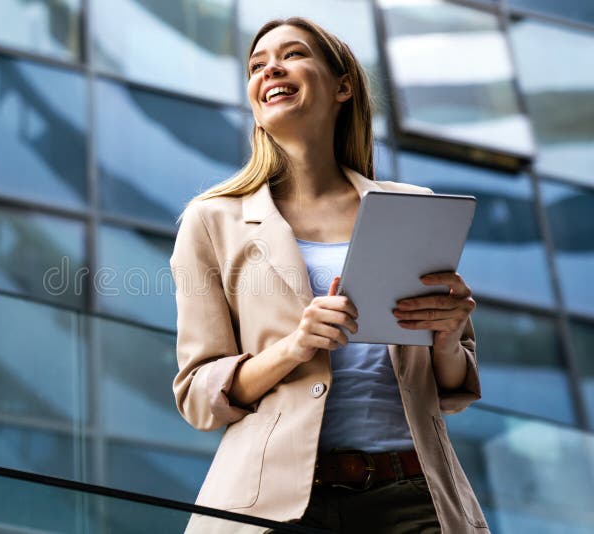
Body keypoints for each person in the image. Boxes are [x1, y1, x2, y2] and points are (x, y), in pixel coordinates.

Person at [169, 17, 489, 534]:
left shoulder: (412, 209)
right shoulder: (213, 221)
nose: (270, 67)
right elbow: (198, 396)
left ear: (343, 86)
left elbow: (452, 388)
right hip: (270, 502)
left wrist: (449, 337)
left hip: (414, 497)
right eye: (256, 65)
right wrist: (294, 347)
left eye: (292, 54)